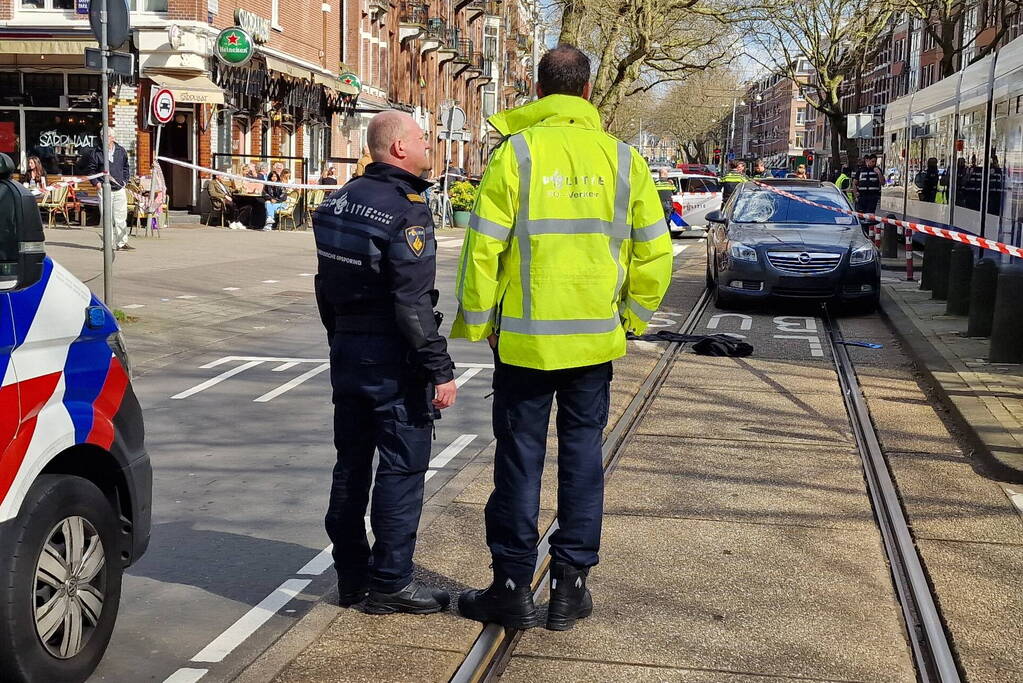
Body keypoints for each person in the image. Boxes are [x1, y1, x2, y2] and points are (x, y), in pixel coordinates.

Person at [451, 44, 673, 632]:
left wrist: (478, 322)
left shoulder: (515, 155)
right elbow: (655, 252)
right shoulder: (625, 160)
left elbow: (483, 249)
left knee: (519, 462)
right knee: (582, 459)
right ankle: (570, 587)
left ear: (539, 89)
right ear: (587, 92)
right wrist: (632, 317)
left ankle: (511, 587)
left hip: (523, 344)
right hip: (594, 343)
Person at [313, 110, 457, 615]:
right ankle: (391, 581)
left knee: (351, 466)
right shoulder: (406, 210)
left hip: (347, 353)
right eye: (421, 139)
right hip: (393, 361)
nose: (428, 147)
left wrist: (340, 337)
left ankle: (351, 576)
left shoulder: (337, 201)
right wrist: (439, 368)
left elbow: (324, 284)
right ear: (398, 148)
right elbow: (411, 303)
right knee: (401, 469)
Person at [84, 126, 132, 250]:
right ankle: (108, 245)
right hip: (105, 190)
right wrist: (97, 184)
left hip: (119, 188)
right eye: (103, 137)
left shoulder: (121, 151)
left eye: (108, 136)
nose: (105, 139)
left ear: (112, 137)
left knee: (121, 217)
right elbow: (91, 171)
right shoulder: (96, 153)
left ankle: (122, 242)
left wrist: (125, 181)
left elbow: (126, 167)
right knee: (107, 218)